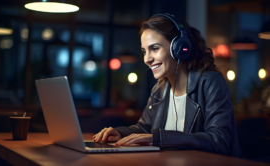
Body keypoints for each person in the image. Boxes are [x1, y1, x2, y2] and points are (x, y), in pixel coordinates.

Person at [93, 13, 242, 158]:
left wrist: (160, 138)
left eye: (155, 48)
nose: (147, 59)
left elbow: (219, 141)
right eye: (144, 51)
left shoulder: (210, 82)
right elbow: (144, 129)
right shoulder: (160, 89)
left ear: (179, 47)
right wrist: (120, 133)